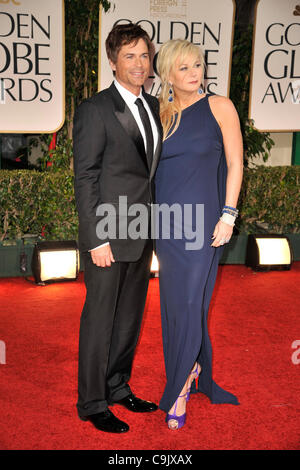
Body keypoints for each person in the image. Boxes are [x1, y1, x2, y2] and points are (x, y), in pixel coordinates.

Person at [73, 23, 162, 434]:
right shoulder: (95, 109)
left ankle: (116, 385)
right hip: (107, 235)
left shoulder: (156, 107)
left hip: (143, 232)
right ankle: (91, 402)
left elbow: (148, 175)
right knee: (100, 319)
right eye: (129, 56)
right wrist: (95, 239)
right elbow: (85, 177)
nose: (139, 64)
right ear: (112, 62)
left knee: (129, 318)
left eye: (144, 55)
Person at [155, 39, 243, 430]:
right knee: (174, 303)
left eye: (198, 65)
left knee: (191, 302)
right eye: (185, 68)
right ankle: (188, 368)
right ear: (168, 75)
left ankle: (177, 388)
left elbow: (236, 162)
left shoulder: (220, 107)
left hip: (205, 221)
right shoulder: (161, 113)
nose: (195, 74)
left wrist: (228, 215)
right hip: (165, 222)